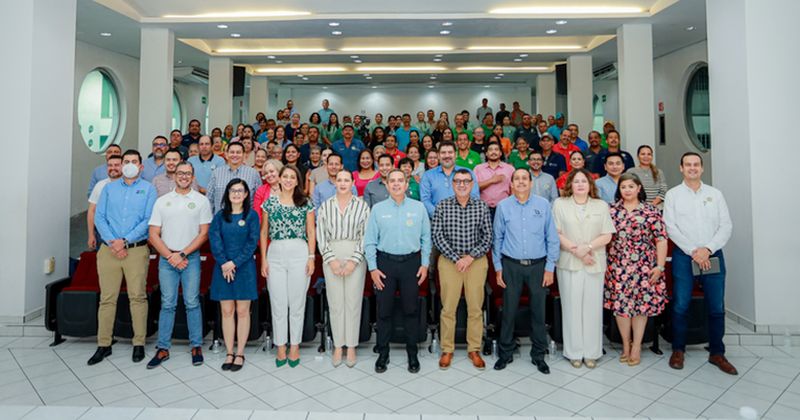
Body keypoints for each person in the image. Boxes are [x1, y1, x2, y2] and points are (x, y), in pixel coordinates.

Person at [664, 152, 736, 375]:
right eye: (688, 165)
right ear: (681, 168)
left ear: (702, 168)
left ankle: (717, 352)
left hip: (712, 254)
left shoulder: (715, 194)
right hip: (685, 256)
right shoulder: (673, 195)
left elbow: (726, 225)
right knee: (681, 304)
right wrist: (693, 251)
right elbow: (670, 227)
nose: (692, 168)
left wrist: (707, 249)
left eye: (696, 165)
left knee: (716, 307)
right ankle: (678, 350)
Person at [88, 150, 157, 366]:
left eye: (133, 162)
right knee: (107, 299)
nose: (129, 165)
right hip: (108, 250)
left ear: (141, 166)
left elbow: (148, 220)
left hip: (135, 250)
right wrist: (113, 242)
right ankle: (104, 344)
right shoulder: (108, 188)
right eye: (126, 161)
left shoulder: (148, 189)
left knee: (137, 297)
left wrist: (125, 241)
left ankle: (139, 343)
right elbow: (99, 217)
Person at [492, 168, 560, 373]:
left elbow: (552, 238)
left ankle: (539, 355)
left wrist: (550, 268)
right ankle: (505, 353)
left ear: (531, 183)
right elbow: (497, 239)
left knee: (538, 312)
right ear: (511, 184)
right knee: (509, 311)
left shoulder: (543, 205)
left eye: (525, 179)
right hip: (511, 265)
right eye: (517, 179)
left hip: (538, 266)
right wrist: (498, 267)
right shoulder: (503, 206)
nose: (521, 182)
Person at [365, 169, 431, 374]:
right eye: (392, 181)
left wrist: (425, 264)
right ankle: (383, 354)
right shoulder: (377, 209)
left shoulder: (419, 208)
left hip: (411, 263)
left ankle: (413, 354)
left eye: (400, 181)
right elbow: (369, 242)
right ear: (386, 184)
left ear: (406, 183)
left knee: (411, 310)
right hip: (385, 264)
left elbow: (426, 239)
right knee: (383, 312)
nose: (395, 184)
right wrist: (373, 268)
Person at [146, 162, 212, 369]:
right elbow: (153, 234)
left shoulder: (201, 201)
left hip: (190, 258)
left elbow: (203, 234)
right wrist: (170, 255)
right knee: (168, 303)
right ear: (174, 176)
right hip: (167, 259)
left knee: (192, 302)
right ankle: (163, 347)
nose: (184, 176)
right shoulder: (162, 201)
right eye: (180, 173)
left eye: (188, 174)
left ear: (193, 177)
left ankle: (196, 346)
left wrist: (182, 254)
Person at [552, 169, 615, 369]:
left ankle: (592, 352)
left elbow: (607, 235)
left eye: (584, 181)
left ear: (590, 185)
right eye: (576, 181)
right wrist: (576, 250)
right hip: (569, 262)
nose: (580, 184)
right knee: (571, 307)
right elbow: (557, 232)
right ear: (570, 184)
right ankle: (574, 352)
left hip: (594, 261)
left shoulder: (601, 205)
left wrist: (587, 249)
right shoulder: (560, 204)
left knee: (592, 308)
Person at [605, 173, 668, 367]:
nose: (627, 190)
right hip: (618, 266)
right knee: (621, 309)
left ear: (639, 188)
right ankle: (625, 344)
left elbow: (661, 239)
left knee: (640, 308)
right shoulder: (612, 211)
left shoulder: (650, 211)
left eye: (631, 186)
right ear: (620, 190)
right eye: (623, 187)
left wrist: (659, 266)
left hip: (644, 267)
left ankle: (637, 346)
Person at [432, 169, 492, 371]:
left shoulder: (481, 206)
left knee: (475, 308)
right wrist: (457, 258)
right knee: (448, 308)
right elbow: (437, 236)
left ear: (472, 184)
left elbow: (487, 237)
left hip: (475, 261)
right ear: (452, 184)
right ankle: (447, 349)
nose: (462, 185)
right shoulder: (443, 206)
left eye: (466, 181)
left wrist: (469, 257)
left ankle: (474, 349)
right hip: (450, 262)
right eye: (457, 181)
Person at [260, 165, 316, 368]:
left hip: (299, 252)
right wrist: (264, 260)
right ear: (279, 179)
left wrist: (311, 258)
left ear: (297, 180)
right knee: (278, 302)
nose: (289, 180)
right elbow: (264, 232)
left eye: (293, 177)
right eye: (286, 176)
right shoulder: (270, 203)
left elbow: (311, 231)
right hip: (275, 253)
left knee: (297, 302)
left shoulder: (305, 203)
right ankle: (280, 345)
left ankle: (294, 345)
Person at [316, 170, 371, 368]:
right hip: (331, 252)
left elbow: (366, 235)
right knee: (336, 302)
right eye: (339, 180)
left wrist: (353, 260)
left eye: (346, 180)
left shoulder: (362, 206)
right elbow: (320, 235)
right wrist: (330, 260)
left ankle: (351, 346)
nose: (342, 183)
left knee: (352, 302)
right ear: (334, 183)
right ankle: (338, 345)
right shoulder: (325, 206)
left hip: (355, 253)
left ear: (352, 182)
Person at [209, 179, 259, 372]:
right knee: (227, 312)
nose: (236, 194)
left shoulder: (252, 216)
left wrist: (234, 263)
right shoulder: (220, 216)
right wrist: (224, 263)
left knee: (243, 311)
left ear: (246, 194)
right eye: (233, 190)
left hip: (244, 269)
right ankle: (229, 352)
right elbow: (215, 240)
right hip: (223, 269)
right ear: (227, 194)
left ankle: (240, 353)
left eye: (240, 191)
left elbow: (252, 243)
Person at [420, 141, 479, 217]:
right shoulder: (428, 175)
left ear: (455, 154)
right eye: (443, 153)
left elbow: (474, 196)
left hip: (464, 219)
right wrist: (439, 216)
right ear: (438, 156)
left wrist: (463, 214)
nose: (447, 155)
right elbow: (425, 200)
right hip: (437, 221)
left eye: (450, 152)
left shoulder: (468, 173)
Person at [206, 142, 262, 214]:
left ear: (244, 155)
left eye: (238, 152)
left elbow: (259, 200)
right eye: (232, 152)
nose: (235, 155)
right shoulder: (216, 173)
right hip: (221, 220)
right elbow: (209, 199)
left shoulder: (253, 173)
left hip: (246, 220)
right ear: (226, 154)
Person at [87, 154, 123, 250]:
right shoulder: (100, 185)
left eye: (117, 165)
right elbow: (92, 211)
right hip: (102, 233)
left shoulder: (130, 185)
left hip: (124, 233)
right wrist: (91, 235)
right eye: (110, 165)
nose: (113, 168)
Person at [475, 142, 514, 220]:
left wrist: (511, 206)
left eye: (496, 150)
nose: (493, 152)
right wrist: (491, 180)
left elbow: (513, 190)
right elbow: (473, 188)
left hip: (504, 208)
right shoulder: (478, 168)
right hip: (483, 209)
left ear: (500, 153)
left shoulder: (510, 169)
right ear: (486, 153)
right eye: (490, 150)